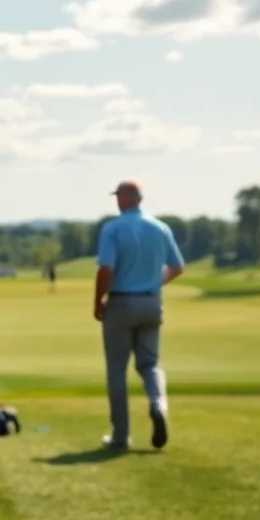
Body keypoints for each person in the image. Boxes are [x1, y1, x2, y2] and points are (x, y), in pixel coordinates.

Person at [94, 180, 184, 451]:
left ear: (124, 198)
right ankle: (158, 405)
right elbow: (177, 267)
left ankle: (121, 435)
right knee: (150, 364)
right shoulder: (160, 228)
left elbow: (106, 269)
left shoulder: (113, 228)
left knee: (117, 372)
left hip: (121, 303)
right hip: (151, 303)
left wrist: (98, 301)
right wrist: (153, 282)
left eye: (117, 196)